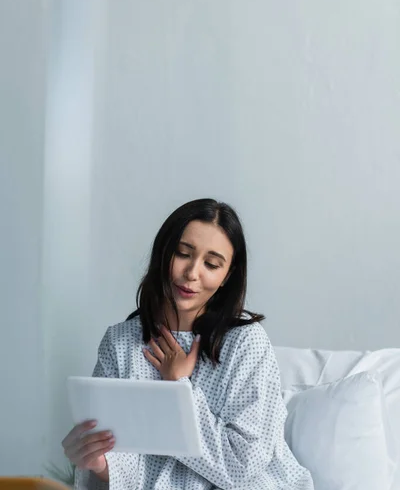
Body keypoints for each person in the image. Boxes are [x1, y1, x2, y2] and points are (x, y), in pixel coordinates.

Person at [63, 198, 314, 490]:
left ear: (226, 276)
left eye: (211, 264)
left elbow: (243, 465)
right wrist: (100, 463)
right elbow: (127, 459)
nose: (192, 273)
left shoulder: (246, 342)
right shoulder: (120, 343)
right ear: (164, 253)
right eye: (183, 254)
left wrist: (179, 385)